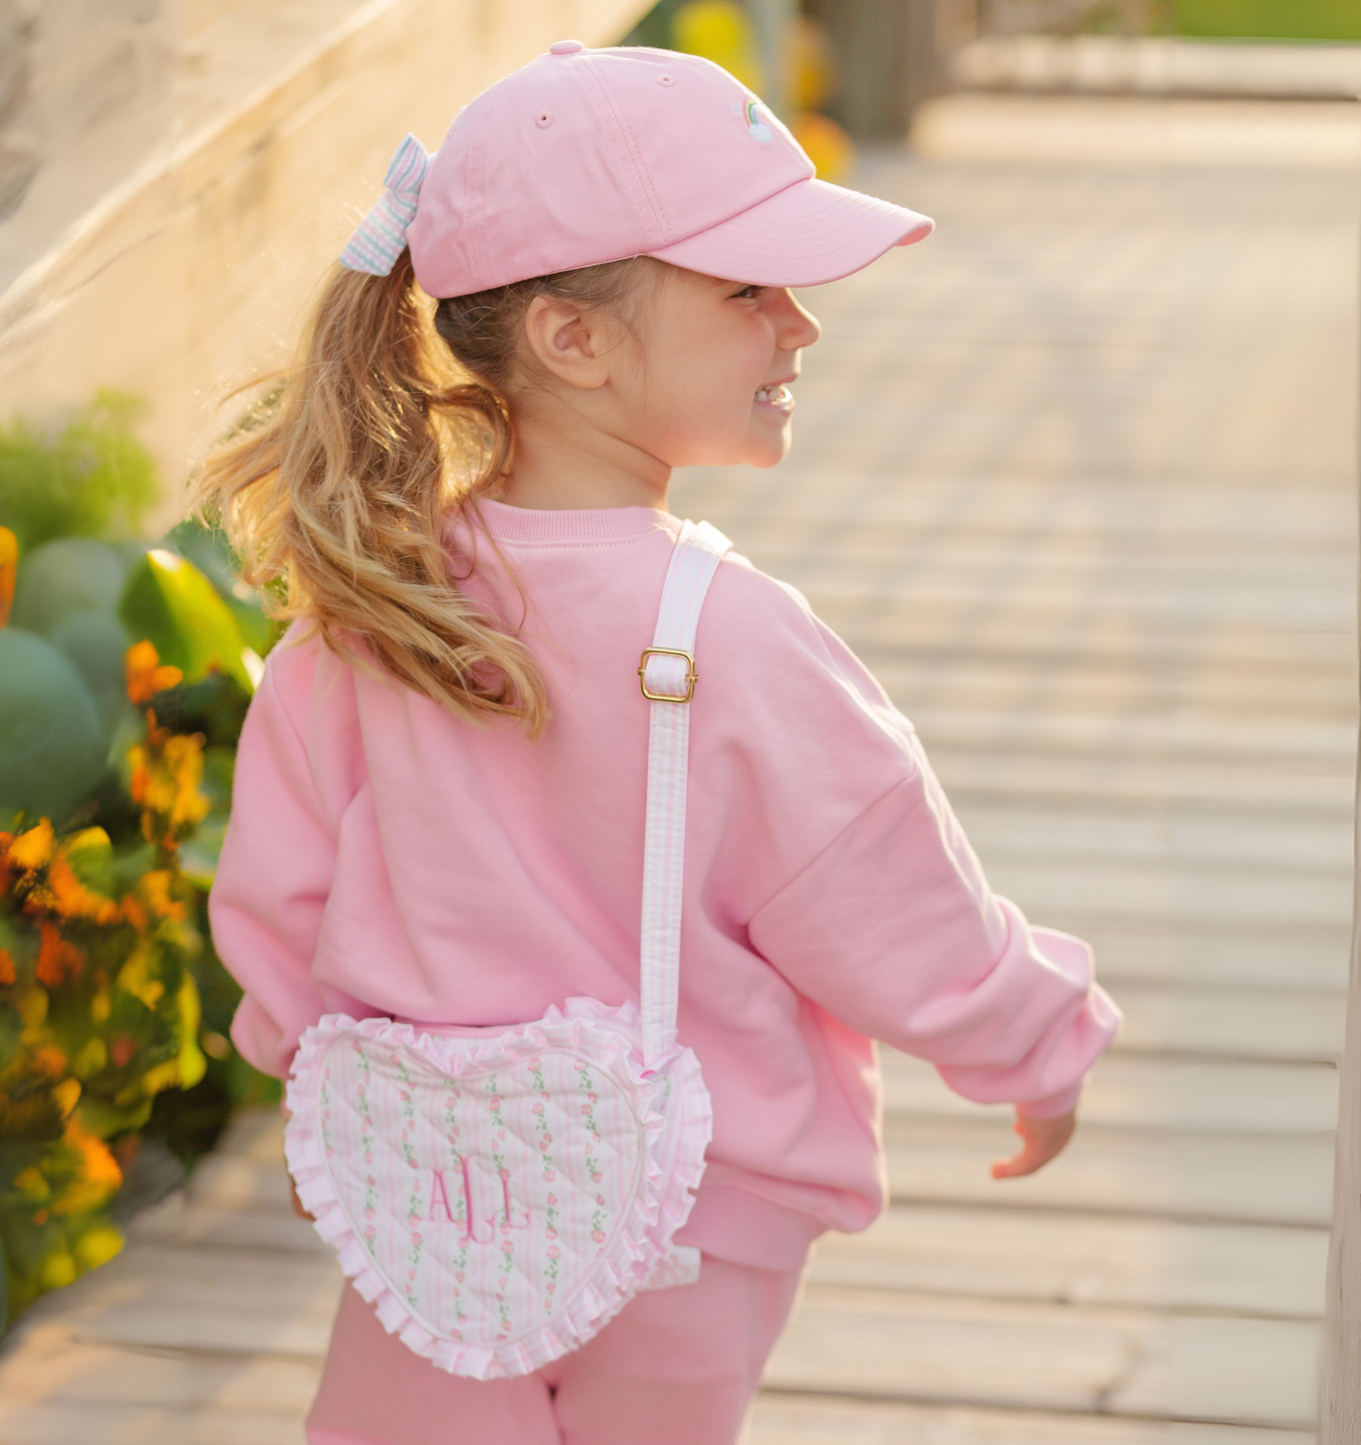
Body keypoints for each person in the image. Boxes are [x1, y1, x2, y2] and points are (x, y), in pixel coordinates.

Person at [200, 40, 1120, 1445]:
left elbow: (278, 902)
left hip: (436, 1194)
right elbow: (882, 893)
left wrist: (330, 1085)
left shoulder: (367, 607)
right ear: (576, 340)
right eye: (749, 290)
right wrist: (1033, 1045)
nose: (801, 325)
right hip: (694, 1209)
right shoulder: (733, 638)